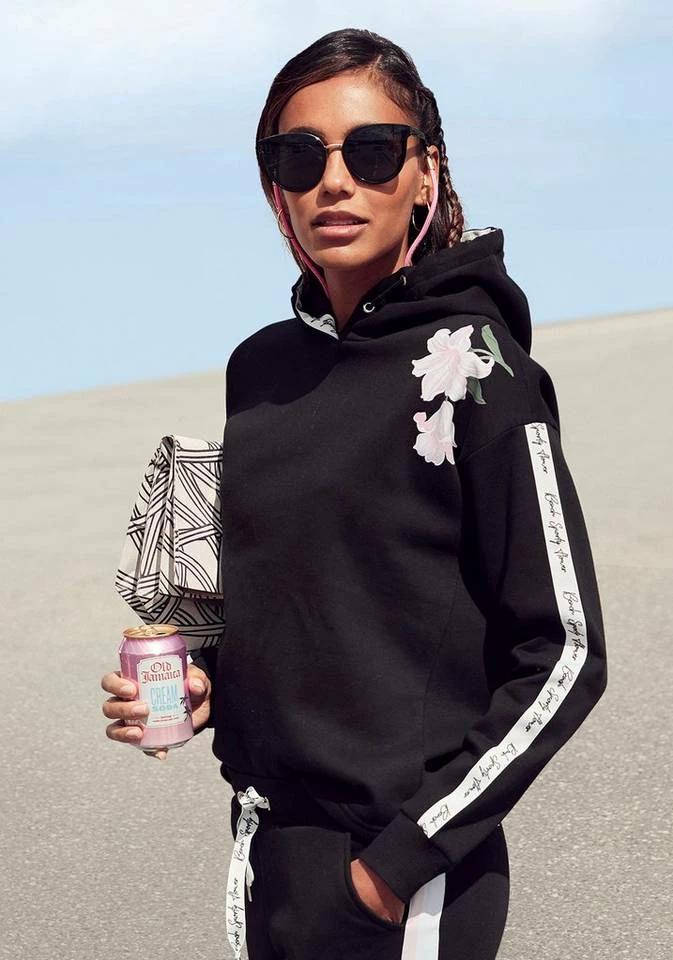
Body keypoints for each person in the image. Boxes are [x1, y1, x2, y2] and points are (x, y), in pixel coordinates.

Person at [101, 27, 608, 960]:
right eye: (299, 157)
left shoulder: (479, 369)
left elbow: (565, 650)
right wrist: (206, 682)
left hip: (405, 875)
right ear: (274, 187)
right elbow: (305, 605)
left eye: (371, 151)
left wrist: (395, 867)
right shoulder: (260, 370)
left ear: (424, 172)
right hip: (264, 850)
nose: (333, 182)